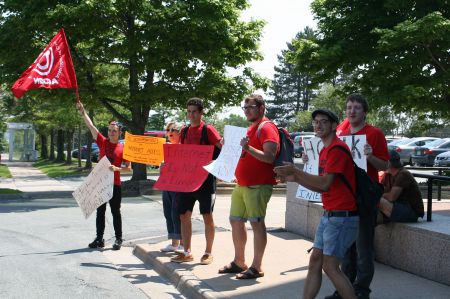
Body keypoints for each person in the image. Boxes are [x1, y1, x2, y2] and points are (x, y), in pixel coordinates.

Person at [275, 109, 358, 299]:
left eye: (323, 122)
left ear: (334, 126)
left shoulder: (337, 149)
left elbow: (325, 184)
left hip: (342, 217)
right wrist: (293, 177)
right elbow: (321, 188)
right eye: (315, 122)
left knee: (330, 267)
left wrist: (296, 172)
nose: (318, 125)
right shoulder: (325, 149)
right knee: (315, 261)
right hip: (330, 215)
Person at [327, 93, 389, 299]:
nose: (352, 111)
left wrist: (370, 156)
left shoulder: (374, 133)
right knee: (346, 249)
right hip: (345, 197)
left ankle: (361, 289)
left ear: (364, 112)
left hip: (364, 197)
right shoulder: (340, 130)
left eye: (356, 108)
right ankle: (345, 288)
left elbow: (385, 166)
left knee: (363, 248)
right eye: (349, 107)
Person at [217, 94, 280, 279]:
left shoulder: (266, 127)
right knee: (235, 220)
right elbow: (242, 156)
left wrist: (247, 148)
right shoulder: (250, 129)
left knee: (257, 223)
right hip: (242, 185)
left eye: (250, 107)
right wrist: (227, 147)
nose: (247, 111)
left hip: (258, 185)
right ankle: (239, 262)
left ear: (262, 108)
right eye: (244, 108)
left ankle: (257, 267)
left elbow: (270, 157)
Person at [170, 97, 222, 264]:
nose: (191, 115)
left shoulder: (209, 130)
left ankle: (208, 252)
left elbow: (224, 149)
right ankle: (187, 252)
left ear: (201, 112)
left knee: (207, 215)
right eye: (189, 112)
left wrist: (216, 163)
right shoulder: (184, 131)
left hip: (206, 181)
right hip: (186, 180)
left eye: (194, 112)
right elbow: (181, 153)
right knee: (184, 216)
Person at [76, 101, 131, 250]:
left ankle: (118, 238)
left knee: (115, 212)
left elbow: (128, 168)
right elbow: (91, 126)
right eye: (110, 130)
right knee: (100, 212)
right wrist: (83, 111)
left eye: (114, 130)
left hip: (115, 185)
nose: (111, 132)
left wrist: (116, 168)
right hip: (101, 184)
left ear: (119, 132)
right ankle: (99, 239)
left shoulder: (123, 148)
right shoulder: (102, 142)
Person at [378, 150, 424, 223]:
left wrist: (379, 195)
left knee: (375, 199)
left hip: (411, 211)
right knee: (370, 216)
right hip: (396, 207)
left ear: (389, 163)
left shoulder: (403, 174)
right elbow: (381, 190)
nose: (379, 163)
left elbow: (391, 197)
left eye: (382, 160)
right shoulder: (387, 174)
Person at [160, 122, 184, 253]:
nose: (170, 132)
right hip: (167, 185)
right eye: (168, 130)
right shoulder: (166, 148)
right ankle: (174, 243)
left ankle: (182, 243)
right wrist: (162, 167)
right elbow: (162, 169)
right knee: (168, 213)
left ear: (180, 132)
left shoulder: (184, 148)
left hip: (179, 186)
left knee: (177, 214)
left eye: (173, 129)